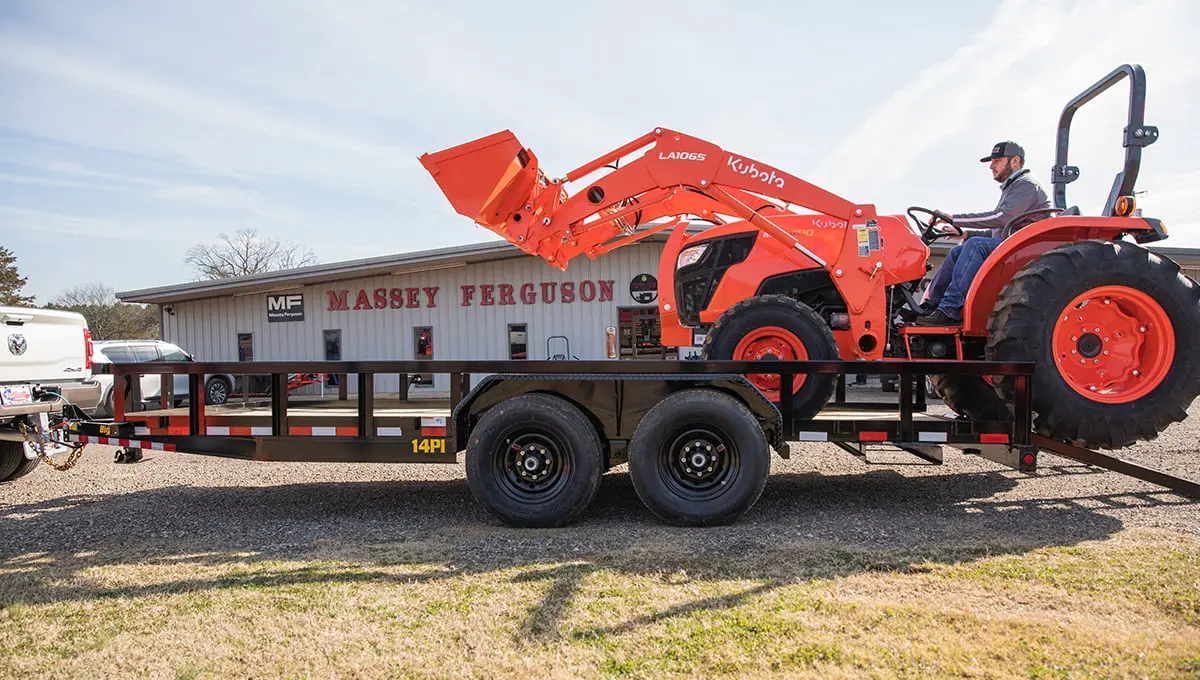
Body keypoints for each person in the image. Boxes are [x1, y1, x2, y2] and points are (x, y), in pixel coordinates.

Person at [910, 140, 1050, 326]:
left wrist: (954, 218)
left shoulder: (1026, 186)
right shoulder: (1014, 188)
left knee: (975, 246)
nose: (991, 166)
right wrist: (965, 234)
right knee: (957, 251)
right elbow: (1000, 231)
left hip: (1027, 250)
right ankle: (930, 306)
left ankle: (949, 310)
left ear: (1015, 161)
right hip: (1013, 245)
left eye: (997, 160)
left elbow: (1001, 217)